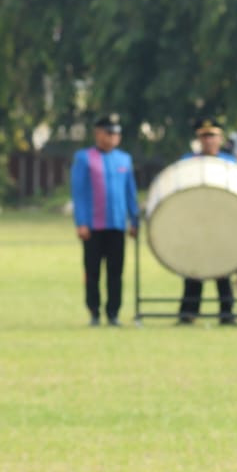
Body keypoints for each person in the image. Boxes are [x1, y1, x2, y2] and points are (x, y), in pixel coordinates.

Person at [71, 115, 139, 327]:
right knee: (92, 271)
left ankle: (113, 313)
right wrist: (81, 222)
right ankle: (94, 312)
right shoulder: (84, 158)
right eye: (109, 133)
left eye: (116, 134)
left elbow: (131, 193)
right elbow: (79, 192)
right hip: (93, 226)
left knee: (115, 272)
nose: (112, 138)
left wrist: (134, 220)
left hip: (117, 225)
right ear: (98, 134)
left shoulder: (124, 159)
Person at [176, 118, 237, 326]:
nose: (209, 140)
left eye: (212, 136)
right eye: (205, 136)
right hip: (197, 222)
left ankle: (226, 312)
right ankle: (188, 311)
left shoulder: (230, 163)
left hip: (221, 222)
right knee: (194, 267)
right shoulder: (188, 161)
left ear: (220, 139)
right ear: (199, 139)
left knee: (223, 268)